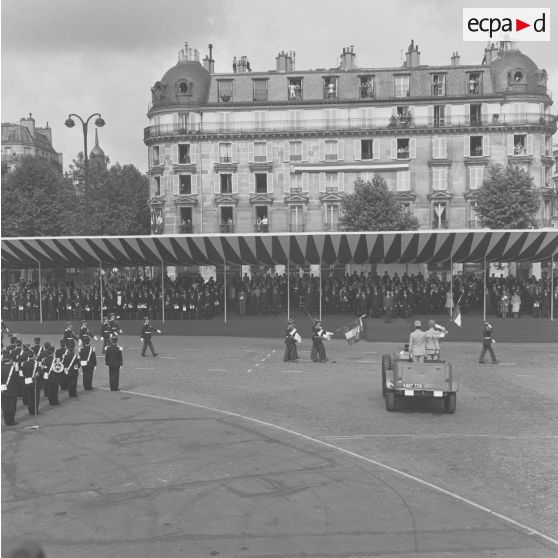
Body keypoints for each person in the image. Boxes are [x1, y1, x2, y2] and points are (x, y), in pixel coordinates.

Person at [1, 350, 19, 426]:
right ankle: (11, 421)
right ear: (10, 360)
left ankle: (6, 421)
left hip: (3, 391)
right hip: (12, 390)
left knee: (4, 407)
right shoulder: (13, 369)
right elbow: (17, 379)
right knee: (12, 407)